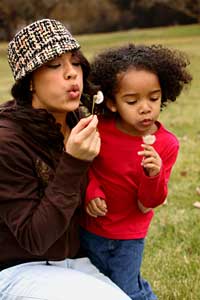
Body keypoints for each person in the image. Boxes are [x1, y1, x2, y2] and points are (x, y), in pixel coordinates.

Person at [0, 19, 131, 300]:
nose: (72, 74)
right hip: (18, 269)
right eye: (55, 65)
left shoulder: (79, 121)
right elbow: (34, 238)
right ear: (30, 81)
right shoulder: (7, 141)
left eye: (75, 62)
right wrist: (72, 162)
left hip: (75, 262)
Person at [80, 44, 192, 299]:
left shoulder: (166, 144)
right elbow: (85, 166)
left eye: (154, 98)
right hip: (89, 228)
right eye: (132, 101)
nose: (145, 107)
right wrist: (91, 190)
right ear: (111, 102)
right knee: (95, 287)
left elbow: (150, 202)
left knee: (125, 291)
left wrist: (153, 174)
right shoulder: (100, 130)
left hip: (128, 237)